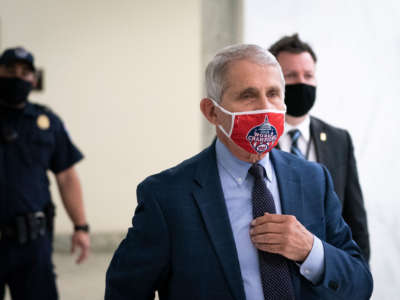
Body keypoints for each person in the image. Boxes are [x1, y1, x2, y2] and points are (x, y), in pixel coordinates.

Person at [105, 44, 372, 300]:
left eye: (273, 94)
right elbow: (125, 290)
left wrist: (310, 250)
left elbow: (360, 283)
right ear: (212, 112)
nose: (265, 108)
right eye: (248, 95)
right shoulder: (167, 196)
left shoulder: (314, 179)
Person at [269, 34, 370, 262]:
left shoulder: (339, 140)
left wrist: (358, 278)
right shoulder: (257, 138)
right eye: (291, 76)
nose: (301, 82)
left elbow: (355, 219)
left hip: (326, 274)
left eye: (308, 75)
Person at [0, 47, 90, 300]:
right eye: (10, 70)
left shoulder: (48, 122)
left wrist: (81, 227)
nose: (18, 77)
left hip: (32, 243)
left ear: (33, 79)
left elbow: (66, 177)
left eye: (24, 72)